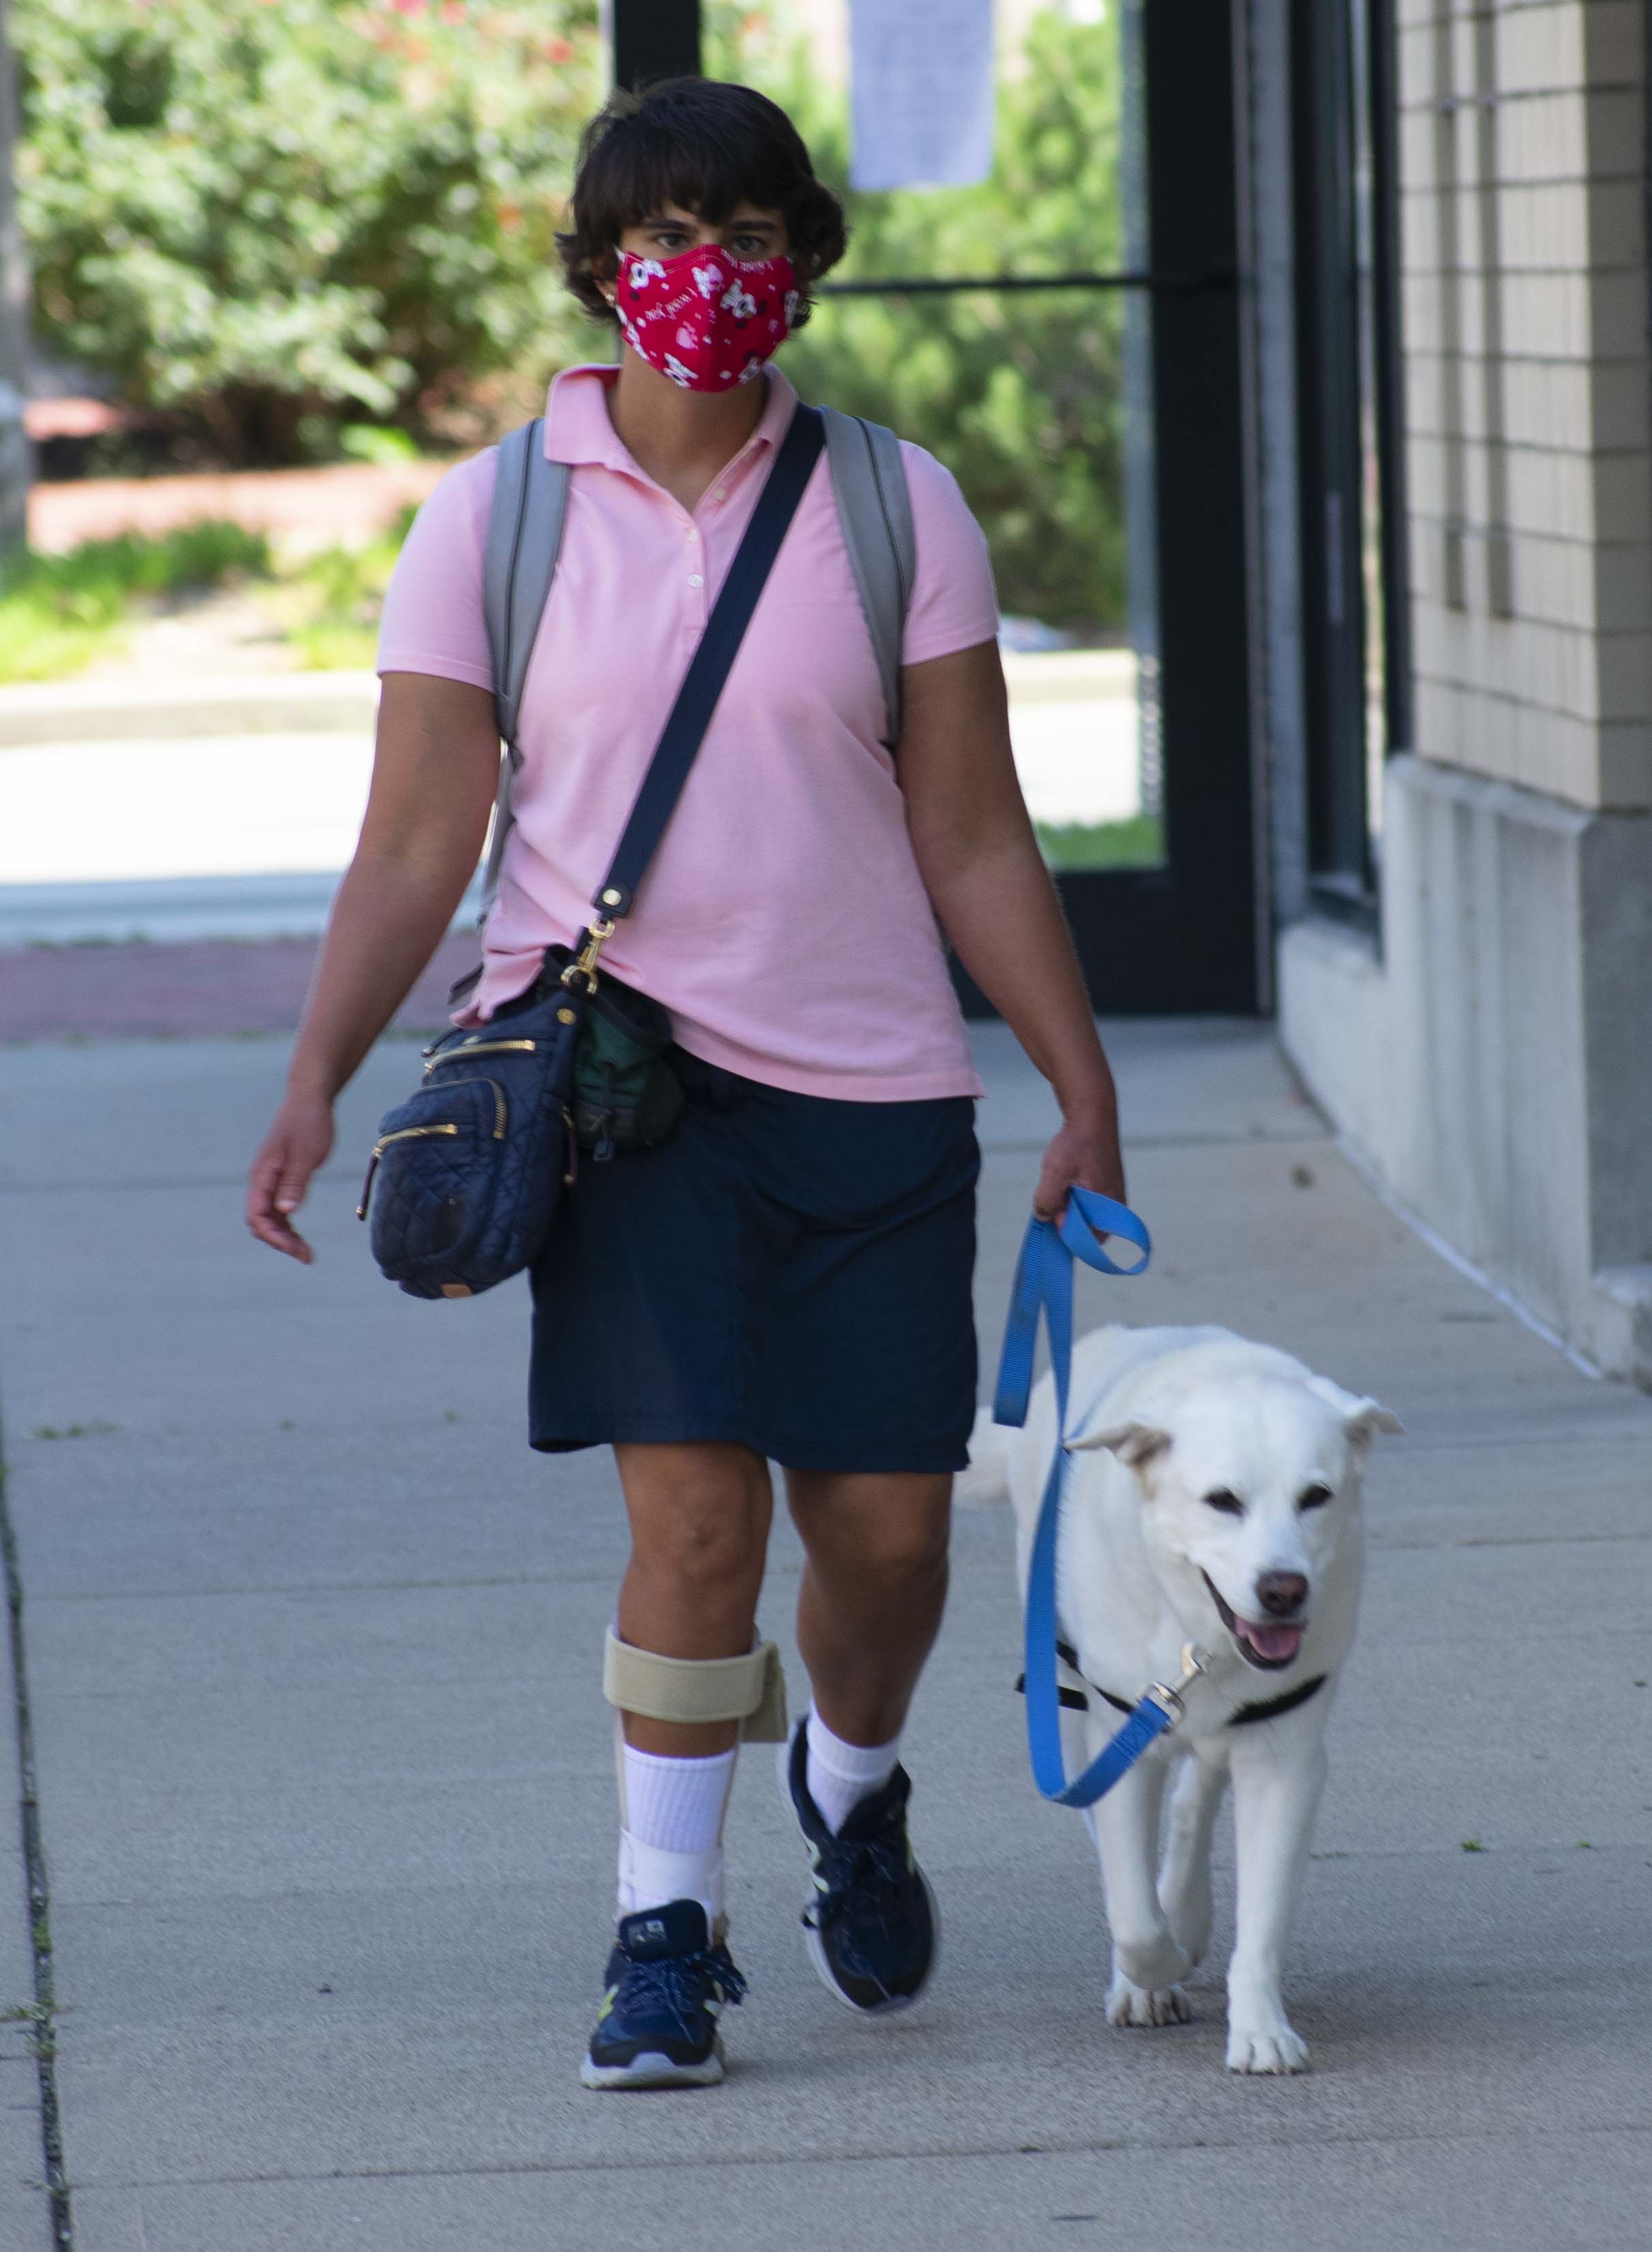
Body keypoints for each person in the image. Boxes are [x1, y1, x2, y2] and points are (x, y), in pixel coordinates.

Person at [246, 76, 1126, 2091]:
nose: (696, 275)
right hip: (623, 1095)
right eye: (654, 236)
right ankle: (666, 1925)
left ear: (801, 266)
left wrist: (1076, 1085)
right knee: (700, 1525)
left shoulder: (894, 503)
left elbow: (977, 832)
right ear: (593, 264)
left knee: (889, 1542)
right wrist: (315, 1082)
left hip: (876, 1094)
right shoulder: (500, 514)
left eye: (738, 234)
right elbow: (412, 843)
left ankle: (857, 1777)